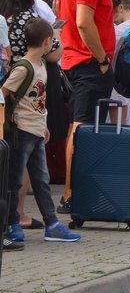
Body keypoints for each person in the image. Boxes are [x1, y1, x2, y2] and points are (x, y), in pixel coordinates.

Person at [56, 0, 125, 214]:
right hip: (87, 64)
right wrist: (101, 60)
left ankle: (75, 191)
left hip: (75, 60)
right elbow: (83, 22)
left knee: (80, 127)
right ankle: (72, 194)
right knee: (81, 128)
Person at [2, 19, 81, 248]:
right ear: (47, 42)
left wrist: (43, 124)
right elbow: (4, 93)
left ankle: (51, 224)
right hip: (20, 132)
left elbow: (38, 101)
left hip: (35, 131)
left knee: (41, 180)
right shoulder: (23, 68)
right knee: (14, 181)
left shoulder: (42, 67)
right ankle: (12, 224)